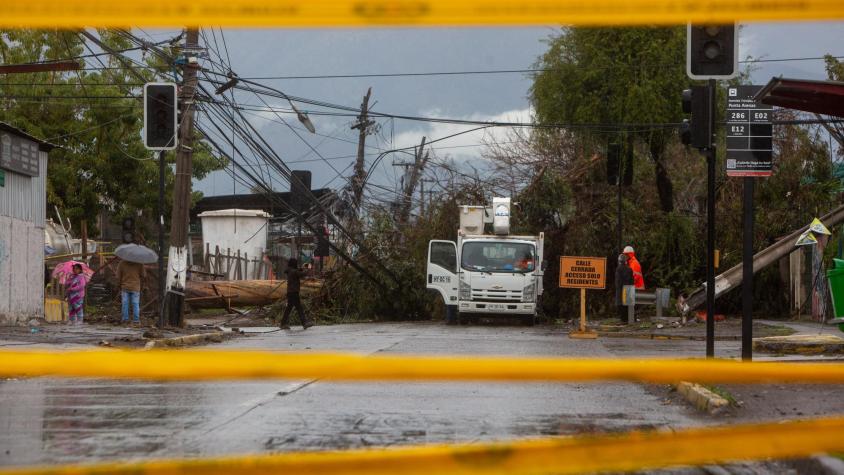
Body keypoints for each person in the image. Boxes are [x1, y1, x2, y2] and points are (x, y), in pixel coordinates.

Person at [281, 258, 312, 330]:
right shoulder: (294, 272)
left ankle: (283, 323)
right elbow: (303, 274)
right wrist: (309, 269)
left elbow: (298, 271)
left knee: (289, 308)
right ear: (294, 264)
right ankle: (304, 323)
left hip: (290, 292)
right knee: (299, 308)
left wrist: (302, 268)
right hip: (294, 292)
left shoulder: (290, 270)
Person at [117, 259, 145, 324]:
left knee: (125, 303)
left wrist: (118, 285)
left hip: (125, 287)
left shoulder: (122, 263)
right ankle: (136, 320)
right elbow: (143, 276)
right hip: (136, 287)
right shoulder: (140, 263)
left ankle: (125, 319)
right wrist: (141, 286)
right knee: (135, 304)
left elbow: (118, 276)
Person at [615, 254, 634, 324]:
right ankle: (628, 319)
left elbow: (618, 281)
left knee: (620, 305)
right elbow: (632, 281)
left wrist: (618, 288)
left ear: (619, 261)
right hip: (629, 289)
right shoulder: (629, 269)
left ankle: (623, 320)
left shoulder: (618, 269)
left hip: (621, 290)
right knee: (627, 305)